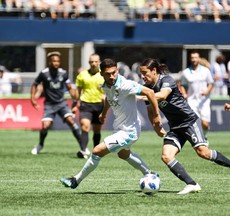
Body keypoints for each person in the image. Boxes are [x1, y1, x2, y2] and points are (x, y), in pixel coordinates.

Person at [139, 58, 230, 195]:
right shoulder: (148, 89)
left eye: (144, 73)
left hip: (189, 121)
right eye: (141, 74)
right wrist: (156, 126)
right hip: (175, 127)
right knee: (166, 156)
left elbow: (162, 95)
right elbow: (151, 111)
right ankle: (192, 184)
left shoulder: (167, 80)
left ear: (154, 71)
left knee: (203, 152)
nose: (142, 77)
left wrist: (142, 96)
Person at [60, 58, 163, 189]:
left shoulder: (125, 85)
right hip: (119, 128)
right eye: (108, 74)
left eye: (114, 72)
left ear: (117, 71)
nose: (112, 76)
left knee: (97, 150)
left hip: (130, 131)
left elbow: (150, 92)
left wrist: (157, 115)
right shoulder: (105, 85)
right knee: (123, 154)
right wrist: (104, 113)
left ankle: (75, 180)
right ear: (101, 74)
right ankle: (149, 173)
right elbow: (110, 98)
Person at [30, 51, 84, 156]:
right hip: (49, 104)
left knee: (71, 122)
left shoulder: (63, 73)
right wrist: (32, 99)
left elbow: (70, 88)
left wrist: (75, 101)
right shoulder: (44, 73)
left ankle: (83, 147)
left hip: (61, 103)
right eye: (54, 61)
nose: (56, 63)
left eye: (58, 61)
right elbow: (34, 84)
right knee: (45, 126)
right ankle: (40, 145)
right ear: (50, 62)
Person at [72, 53, 105, 159]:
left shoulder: (104, 75)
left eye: (96, 61)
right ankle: (83, 150)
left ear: (99, 62)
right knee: (85, 127)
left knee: (97, 130)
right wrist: (74, 103)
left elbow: (110, 89)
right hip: (86, 104)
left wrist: (106, 96)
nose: (94, 63)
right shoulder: (82, 75)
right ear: (88, 62)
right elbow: (78, 91)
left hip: (99, 105)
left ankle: (96, 152)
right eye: (91, 62)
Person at [181, 50, 214, 141]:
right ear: (190, 59)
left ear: (199, 59)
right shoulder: (186, 72)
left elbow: (211, 83)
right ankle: (201, 139)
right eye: (192, 58)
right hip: (192, 100)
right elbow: (182, 85)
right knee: (196, 122)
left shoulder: (205, 71)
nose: (194, 59)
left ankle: (205, 135)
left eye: (196, 57)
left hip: (204, 101)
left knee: (205, 124)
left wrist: (207, 91)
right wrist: (184, 93)